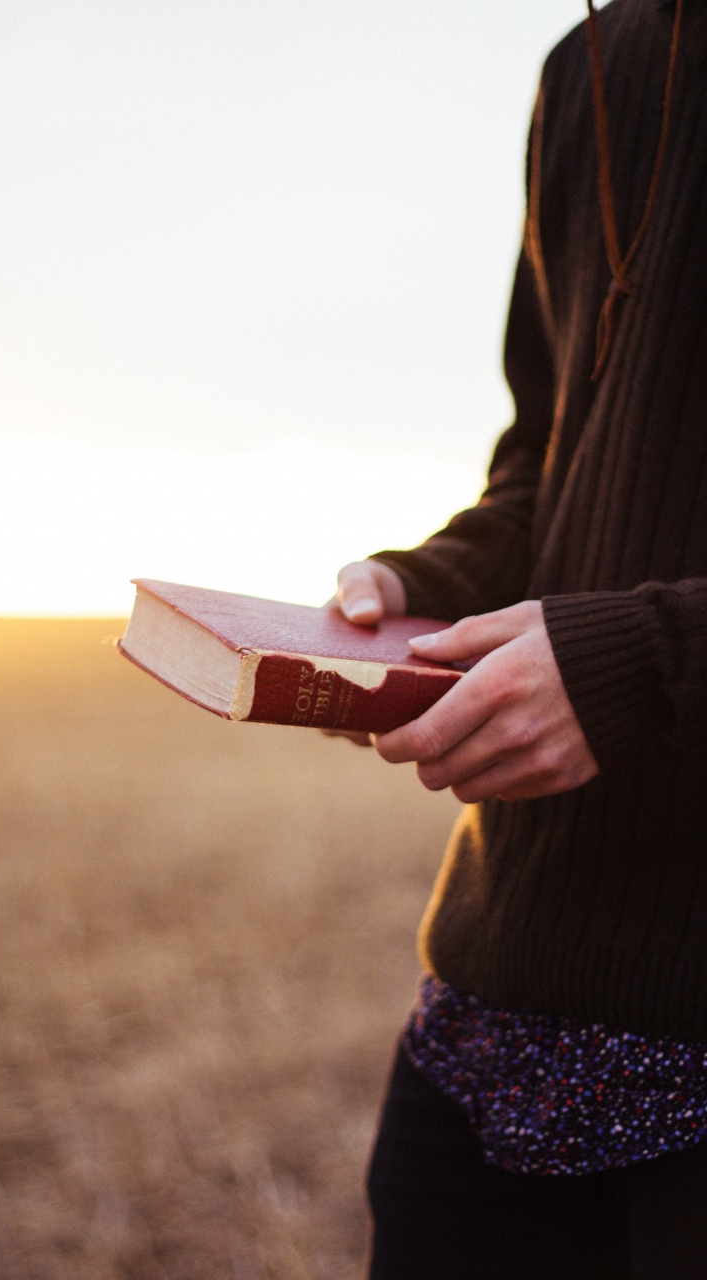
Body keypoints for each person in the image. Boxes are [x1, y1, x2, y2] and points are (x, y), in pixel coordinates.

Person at [333, 1, 707, 1275]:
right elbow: (547, 455)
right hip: (494, 1022)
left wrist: (645, 662)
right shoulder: (590, 66)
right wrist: (420, 582)